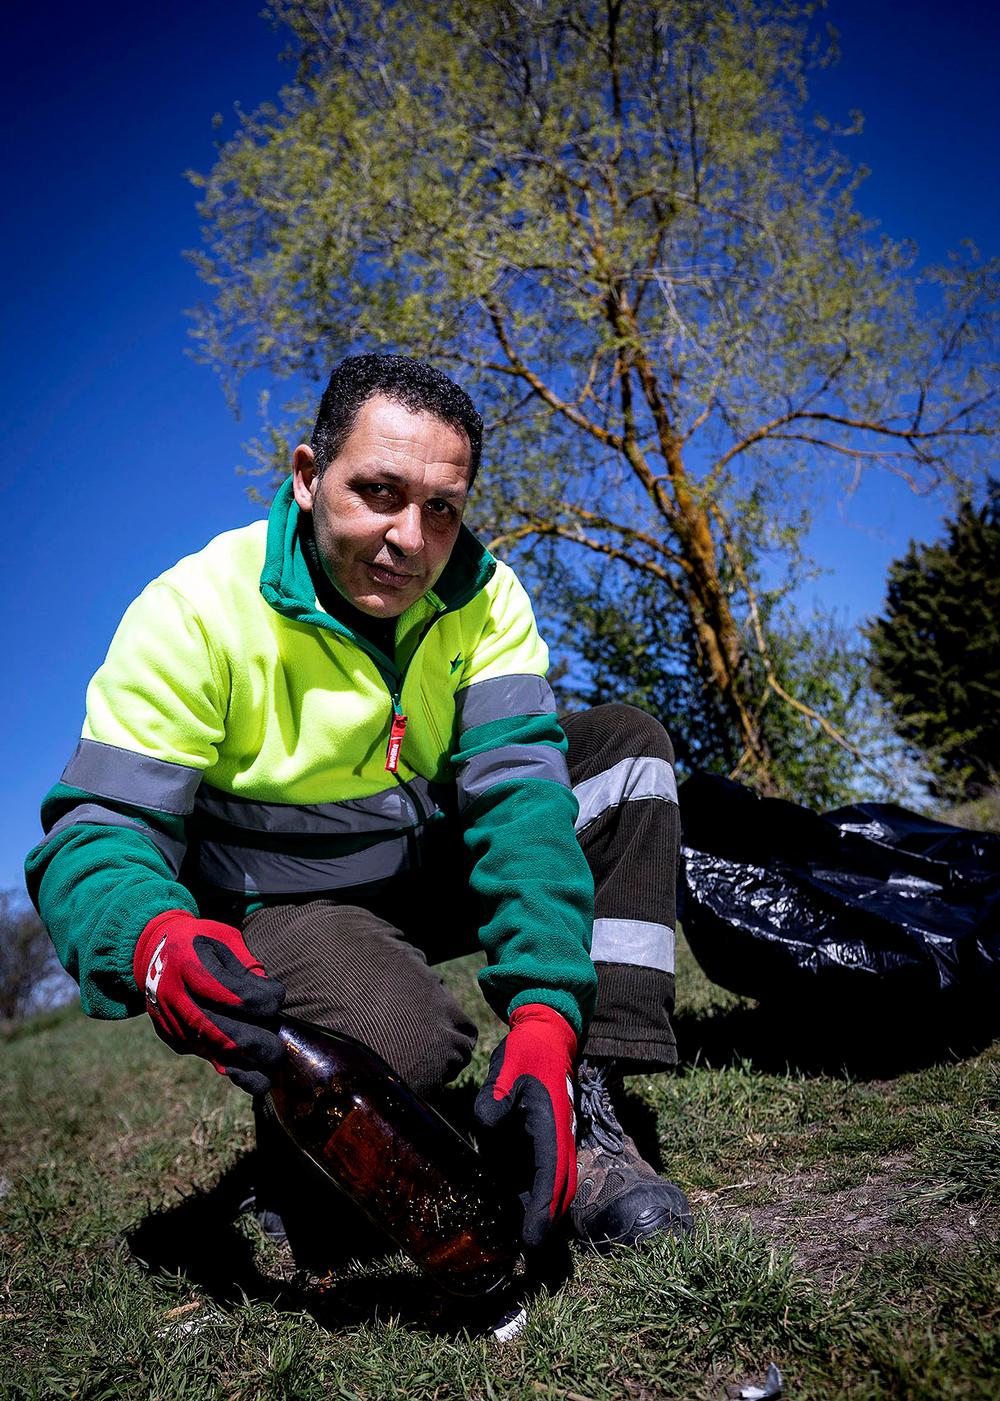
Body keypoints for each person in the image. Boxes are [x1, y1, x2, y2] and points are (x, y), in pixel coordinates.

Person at [26, 354, 691, 1261]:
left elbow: (522, 803)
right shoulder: (193, 612)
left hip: (429, 867)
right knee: (397, 1044)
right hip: (292, 910)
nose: (409, 539)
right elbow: (95, 834)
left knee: (623, 753)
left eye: (441, 508)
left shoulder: (486, 597)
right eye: (377, 492)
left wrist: (545, 1012)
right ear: (307, 477)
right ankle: (300, 1155)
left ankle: (584, 1105)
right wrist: (151, 941)